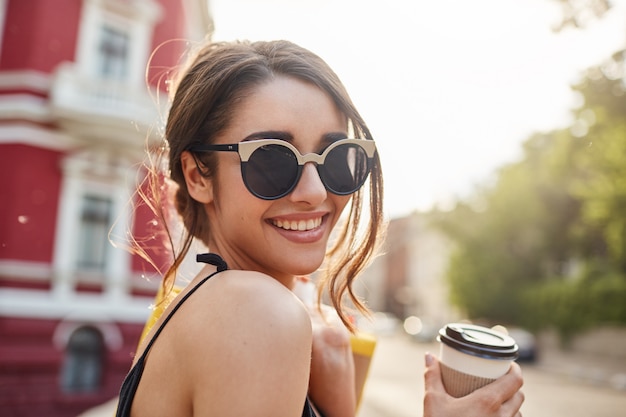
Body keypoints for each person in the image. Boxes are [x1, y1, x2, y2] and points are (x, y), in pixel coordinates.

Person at [116, 39, 524, 417]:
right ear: (197, 175)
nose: (314, 192)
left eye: (336, 158)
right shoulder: (257, 312)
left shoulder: (199, 308)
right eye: (273, 159)